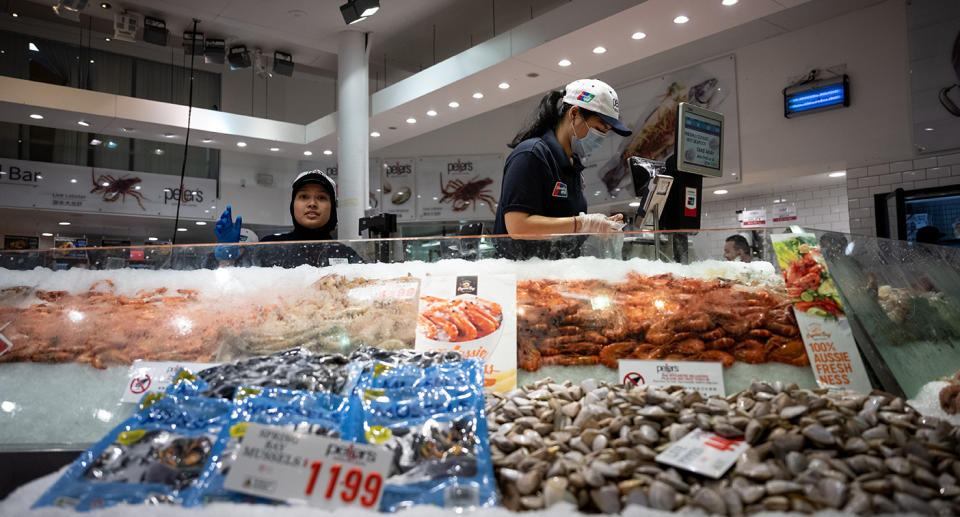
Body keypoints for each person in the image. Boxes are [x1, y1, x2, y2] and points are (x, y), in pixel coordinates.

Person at [493, 78, 633, 260]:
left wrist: (597, 226)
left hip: (555, 274)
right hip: (522, 276)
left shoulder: (573, 164)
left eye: (606, 133)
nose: (601, 138)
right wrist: (583, 223)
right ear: (574, 114)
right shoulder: (531, 155)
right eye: (599, 129)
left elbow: (562, 224)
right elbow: (518, 227)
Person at [214, 170, 363, 267]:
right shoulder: (268, 247)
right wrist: (227, 258)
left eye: (322, 197)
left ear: (332, 207)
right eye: (304, 196)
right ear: (293, 205)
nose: (312, 203)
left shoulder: (346, 254)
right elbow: (234, 290)